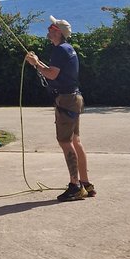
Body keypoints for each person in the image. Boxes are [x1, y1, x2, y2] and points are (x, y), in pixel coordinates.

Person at [25, 16, 96, 202]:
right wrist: (38, 63)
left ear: (57, 32)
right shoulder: (68, 49)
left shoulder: (59, 50)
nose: (48, 30)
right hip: (74, 98)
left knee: (65, 142)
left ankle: (75, 186)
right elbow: (54, 72)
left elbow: (51, 74)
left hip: (66, 100)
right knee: (75, 141)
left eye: (51, 27)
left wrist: (35, 63)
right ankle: (86, 183)